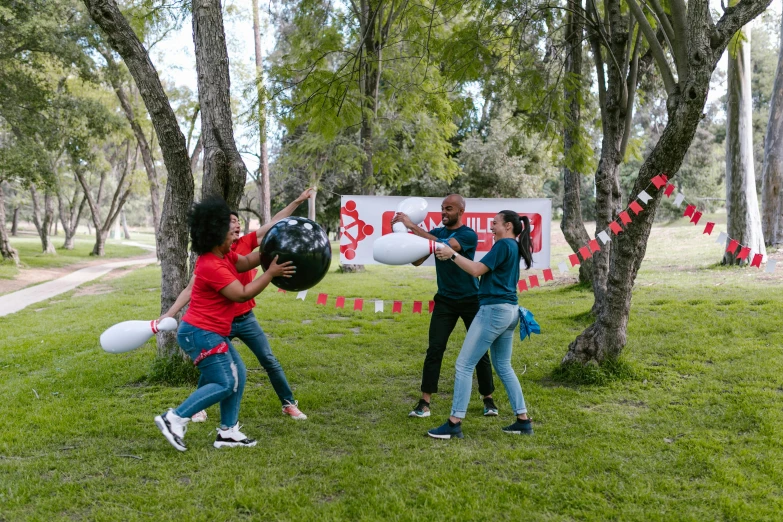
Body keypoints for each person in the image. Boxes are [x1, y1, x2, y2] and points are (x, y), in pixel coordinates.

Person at [159, 188, 315, 423]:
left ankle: (241, 424)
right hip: (216, 325)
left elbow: (270, 230)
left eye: (236, 222)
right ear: (217, 231)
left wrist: (296, 204)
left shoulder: (235, 249)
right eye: (229, 222)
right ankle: (189, 412)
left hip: (243, 318)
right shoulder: (211, 261)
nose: (235, 226)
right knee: (222, 372)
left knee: (251, 366)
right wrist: (169, 314)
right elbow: (235, 293)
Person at [427, 210, 534, 439]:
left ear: (507, 226)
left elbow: (476, 270)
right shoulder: (512, 246)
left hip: (494, 311)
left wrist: (452, 255)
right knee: (504, 366)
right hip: (510, 311)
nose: (491, 227)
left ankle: (454, 423)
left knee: (464, 365)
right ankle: (523, 420)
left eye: (494, 224)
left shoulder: (503, 246)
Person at [391, 194, 498, 419]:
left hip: (471, 299)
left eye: (449, 209)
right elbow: (417, 260)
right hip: (445, 301)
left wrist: (411, 225)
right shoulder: (437, 233)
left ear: (460, 212)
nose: (444, 212)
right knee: (435, 349)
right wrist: (403, 234)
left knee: (480, 352)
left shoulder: (467, 234)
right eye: (442, 208)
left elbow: (442, 246)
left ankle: (488, 399)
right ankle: (424, 402)